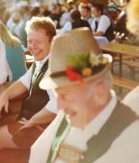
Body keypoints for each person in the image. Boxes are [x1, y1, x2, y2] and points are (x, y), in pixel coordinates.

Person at [29, 27, 139, 162]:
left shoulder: (130, 138)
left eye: (66, 95)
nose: (58, 105)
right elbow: (39, 153)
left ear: (100, 93)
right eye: (58, 95)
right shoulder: (69, 113)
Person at [0, 17, 58, 150]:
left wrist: (33, 121)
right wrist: (5, 95)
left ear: (52, 41)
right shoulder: (41, 60)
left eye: (38, 42)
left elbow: (57, 106)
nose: (33, 47)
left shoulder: (55, 66)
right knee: (2, 122)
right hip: (33, 119)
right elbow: (25, 81)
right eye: (30, 41)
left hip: (46, 128)